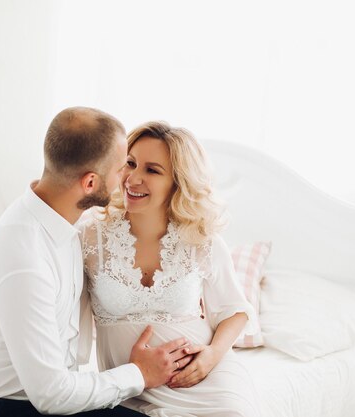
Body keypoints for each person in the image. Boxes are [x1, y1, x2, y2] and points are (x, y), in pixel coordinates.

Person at [0, 108, 196, 417]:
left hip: (46, 399)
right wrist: (139, 374)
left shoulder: (64, 226)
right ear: (90, 182)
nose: (127, 178)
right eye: (122, 167)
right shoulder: (23, 255)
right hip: (4, 408)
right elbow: (52, 395)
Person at [80, 121, 262, 417]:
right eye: (130, 163)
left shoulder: (202, 240)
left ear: (178, 182)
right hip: (129, 390)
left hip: (208, 385)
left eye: (152, 170)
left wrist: (212, 356)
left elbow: (235, 311)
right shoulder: (90, 237)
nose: (133, 178)